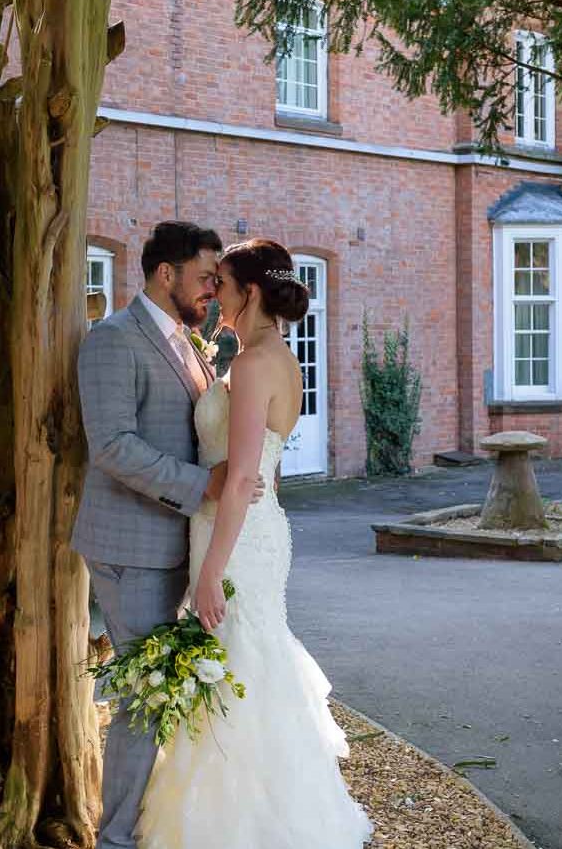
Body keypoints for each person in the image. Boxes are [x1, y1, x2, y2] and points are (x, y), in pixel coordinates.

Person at [136, 238, 374, 849]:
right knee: (246, 662)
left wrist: (210, 571)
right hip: (252, 529)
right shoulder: (274, 357)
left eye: (223, 283)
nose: (214, 293)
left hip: (234, 538)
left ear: (252, 292)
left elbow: (241, 475)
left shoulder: (252, 364)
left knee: (238, 663)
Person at [72, 221, 264, 849]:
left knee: (165, 692)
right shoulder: (112, 340)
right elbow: (112, 447)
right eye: (206, 277)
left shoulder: (190, 341)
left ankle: (156, 822)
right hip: (131, 548)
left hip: (178, 543)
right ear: (165, 273)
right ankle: (116, 840)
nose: (214, 289)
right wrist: (202, 485)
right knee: (141, 700)